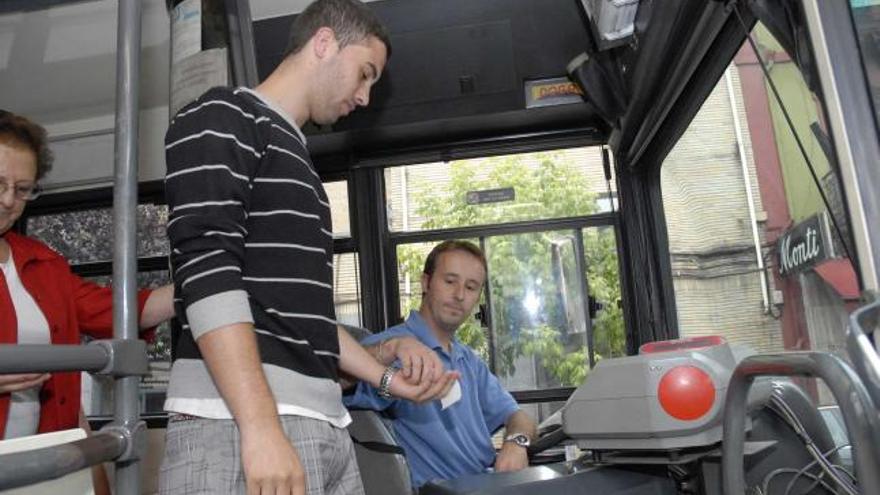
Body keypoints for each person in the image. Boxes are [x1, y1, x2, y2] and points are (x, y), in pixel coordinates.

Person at [159, 1, 456, 494]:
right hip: (239, 424)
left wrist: (386, 380)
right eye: (364, 74)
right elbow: (208, 271)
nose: (363, 97)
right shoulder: (222, 114)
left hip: (325, 423)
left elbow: (306, 318)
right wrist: (260, 428)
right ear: (323, 43)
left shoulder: (301, 166)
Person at [0, 110, 175, 491]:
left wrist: (202, 282)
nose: (8, 200)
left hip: (44, 462)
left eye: (22, 188)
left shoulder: (44, 263)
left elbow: (119, 312)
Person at [344, 240, 539, 488]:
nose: (459, 295)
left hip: (488, 483)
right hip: (441, 489)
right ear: (426, 283)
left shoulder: (467, 360)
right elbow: (334, 380)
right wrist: (390, 350)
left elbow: (518, 416)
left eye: (470, 287)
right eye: (450, 281)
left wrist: (516, 442)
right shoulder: (390, 347)